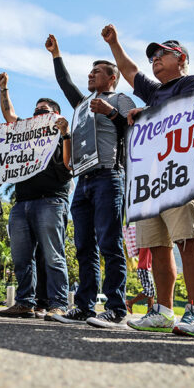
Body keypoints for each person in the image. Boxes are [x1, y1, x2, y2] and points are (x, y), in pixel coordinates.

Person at [102, 24, 194, 337]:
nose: (155, 59)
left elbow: (193, 115)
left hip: (181, 174)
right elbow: (128, 68)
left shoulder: (193, 83)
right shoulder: (154, 92)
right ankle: (162, 312)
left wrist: (148, 112)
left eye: (163, 54)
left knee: (187, 241)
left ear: (182, 58)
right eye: (153, 57)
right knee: (158, 246)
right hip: (150, 180)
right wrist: (115, 42)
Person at [45, 35, 135, 328]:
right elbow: (65, 83)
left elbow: (135, 130)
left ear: (112, 77)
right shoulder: (83, 105)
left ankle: (116, 308)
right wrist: (56, 53)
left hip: (109, 175)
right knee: (84, 246)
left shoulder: (119, 99)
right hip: (83, 180)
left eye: (96, 72)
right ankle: (83, 307)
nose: (90, 75)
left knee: (109, 243)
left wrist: (110, 113)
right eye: (89, 72)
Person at [0, 72, 73, 320]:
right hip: (22, 203)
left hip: (51, 201)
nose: (39, 113)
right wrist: (4, 88)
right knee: (21, 258)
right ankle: (24, 302)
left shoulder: (63, 136)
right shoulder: (27, 133)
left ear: (56, 116)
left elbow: (68, 167)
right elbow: (10, 116)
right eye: (36, 110)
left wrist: (65, 134)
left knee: (53, 255)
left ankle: (58, 303)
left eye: (45, 110)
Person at [125, 248, 155, 314]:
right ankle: (130, 302)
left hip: (146, 269)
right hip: (143, 269)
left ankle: (150, 312)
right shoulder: (145, 243)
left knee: (152, 293)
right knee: (148, 291)